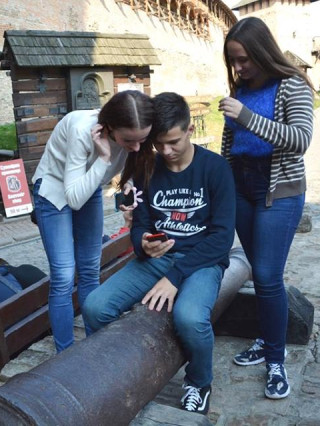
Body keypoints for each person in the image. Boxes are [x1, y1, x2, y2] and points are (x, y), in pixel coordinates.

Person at [83, 92, 235, 415]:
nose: (165, 151)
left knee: (190, 317)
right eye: (159, 144)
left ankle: (199, 382)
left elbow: (222, 239)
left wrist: (175, 277)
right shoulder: (147, 168)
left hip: (201, 262)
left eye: (173, 142)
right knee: (95, 307)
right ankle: (119, 374)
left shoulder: (216, 169)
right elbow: (140, 223)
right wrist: (142, 243)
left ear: (189, 130)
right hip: (156, 260)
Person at [218, 16, 314, 400]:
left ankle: (276, 359)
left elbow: (300, 139)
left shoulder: (292, 85)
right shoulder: (240, 88)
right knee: (260, 274)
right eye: (232, 60)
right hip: (241, 188)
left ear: (261, 52)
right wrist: (223, 183)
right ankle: (268, 337)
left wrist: (246, 116)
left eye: (243, 59)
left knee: (269, 275)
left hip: (279, 190)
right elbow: (230, 143)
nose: (238, 67)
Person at [32, 90, 155, 353]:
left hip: (89, 187)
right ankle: (66, 354)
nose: (136, 147)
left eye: (142, 140)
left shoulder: (134, 138)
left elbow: (131, 163)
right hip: (54, 191)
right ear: (109, 127)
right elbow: (74, 198)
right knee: (64, 276)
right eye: (128, 140)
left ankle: (94, 349)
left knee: (89, 269)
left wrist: (129, 183)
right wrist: (103, 158)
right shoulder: (82, 130)